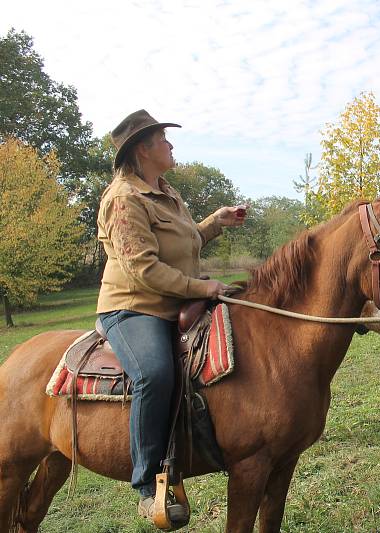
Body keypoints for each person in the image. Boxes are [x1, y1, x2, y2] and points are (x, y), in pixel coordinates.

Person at [96, 109, 246, 525]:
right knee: (156, 375)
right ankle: (147, 486)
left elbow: (184, 240)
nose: (171, 145)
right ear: (144, 148)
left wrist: (216, 222)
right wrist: (205, 288)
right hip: (134, 309)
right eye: (164, 139)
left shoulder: (165, 190)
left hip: (176, 302)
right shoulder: (123, 199)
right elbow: (143, 268)